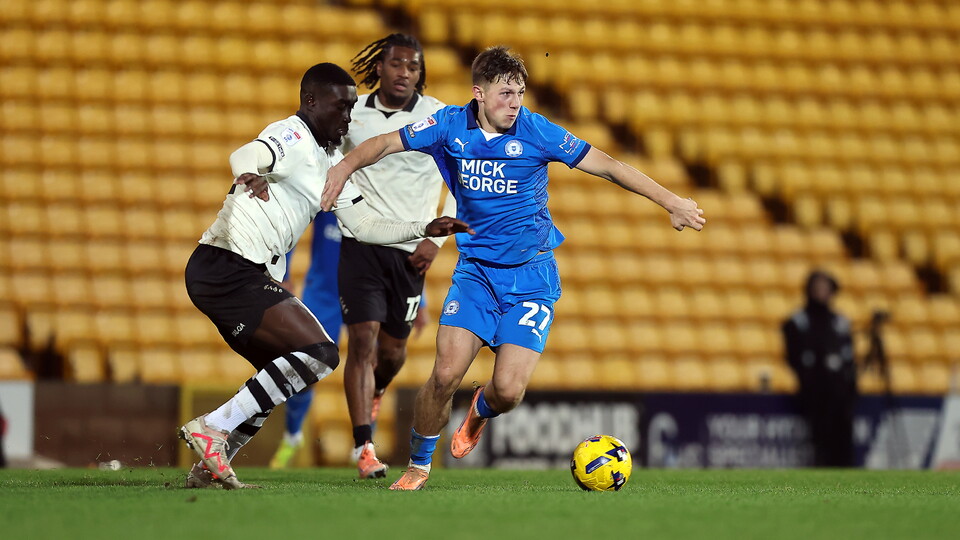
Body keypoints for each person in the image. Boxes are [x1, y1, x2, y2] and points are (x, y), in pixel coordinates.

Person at [319, 46, 706, 490]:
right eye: (506, 93)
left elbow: (609, 167)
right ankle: (419, 465)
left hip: (530, 277)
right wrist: (345, 166)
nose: (515, 102)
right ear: (478, 93)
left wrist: (672, 202)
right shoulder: (448, 125)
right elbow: (387, 142)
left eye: (520, 92)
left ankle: (481, 410)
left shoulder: (537, 130)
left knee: (508, 391)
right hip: (476, 274)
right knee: (444, 374)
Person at [178, 62, 472, 490]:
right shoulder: (292, 135)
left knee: (282, 371)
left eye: (353, 107)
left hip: (236, 272)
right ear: (311, 102)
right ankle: (213, 428)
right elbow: (248, 153)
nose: (348, 117)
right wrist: (246, 173)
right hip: (227, 264)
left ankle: (210, 463)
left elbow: (363, 224)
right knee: (321, 352)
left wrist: (421, 229)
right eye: (340, 106)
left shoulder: (331, 159)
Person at [336, 33, 454, 479]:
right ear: (379, 68)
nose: (405, 72)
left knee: (391, 351)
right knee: (361, 341)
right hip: (361, 245)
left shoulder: (439, 116)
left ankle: (379, 387)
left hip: (411, 253)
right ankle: (364, 446)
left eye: (413, 66)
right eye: (397, 64)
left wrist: (435, 242)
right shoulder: (351, 113)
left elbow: (467, 181)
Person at [268, 212, 343, 470]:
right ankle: (292, 435)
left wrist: (419, 299)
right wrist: (284, 270)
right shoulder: (331, 189)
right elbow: (296, 221)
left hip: (367, 293)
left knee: (374, 367)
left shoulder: (380, 190)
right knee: (305, 369)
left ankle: (364, 447)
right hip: (322, 295)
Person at [782, 269, 858, 467]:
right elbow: (793, 357)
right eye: (818, 288)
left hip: (840, 393)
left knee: (843, 437)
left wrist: (849, 383)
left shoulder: (840, 322)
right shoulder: (799, 321)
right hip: (814, 392)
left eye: (826, 288)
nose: (823, 292)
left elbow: (849, 357)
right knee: (820, 440)